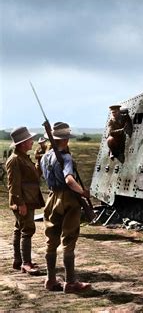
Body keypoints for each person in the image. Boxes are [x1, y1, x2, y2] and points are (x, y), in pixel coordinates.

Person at [40, 122, 92, 293]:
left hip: (51, 197)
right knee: (69, 239)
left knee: (51, 239)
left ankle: (50, 279)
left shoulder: (44, 157)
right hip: (68, 198)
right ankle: (70, 282)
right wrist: (83, 193)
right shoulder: (66, 158)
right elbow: (69, 180)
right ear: (66, 139)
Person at [6, 126, 45, 275]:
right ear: (22, 143)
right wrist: (20, 203)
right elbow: (13, 185)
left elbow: (34, 175)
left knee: (19, 228)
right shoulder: (15, 160)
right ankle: (26, 263)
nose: (32, 141)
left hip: (28, 199)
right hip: (23, 201)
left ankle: (18, 260)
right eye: (29, 140)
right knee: (27, 230)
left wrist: (40, 161)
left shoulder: (23, 157)